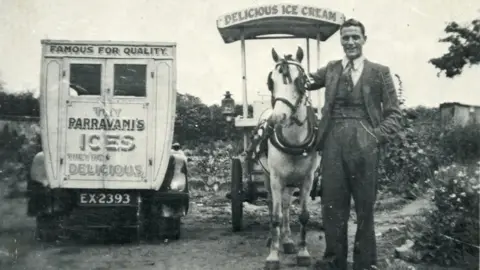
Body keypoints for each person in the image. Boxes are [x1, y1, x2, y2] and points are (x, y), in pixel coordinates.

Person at [305, 19, 403, 270]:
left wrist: (375, 136)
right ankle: (334, 260)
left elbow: (394, 114)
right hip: (333, 142)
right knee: (332, 206)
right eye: (345, 38)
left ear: (364, 39)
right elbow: (301, 81)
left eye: (355, 37)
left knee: (364, 207)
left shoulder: (379, 72)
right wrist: (286, 69)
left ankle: (364, 263)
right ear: (341, 41)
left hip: (365, 142)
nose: (350, 42)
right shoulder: (331, 69)